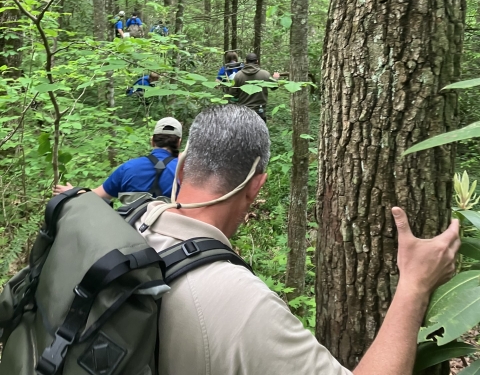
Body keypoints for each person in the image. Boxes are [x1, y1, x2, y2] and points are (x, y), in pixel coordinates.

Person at [139, 105, 460, 375]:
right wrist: (415, 285)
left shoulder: (129, 223)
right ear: (257, 185)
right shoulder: (243, 306)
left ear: (180, 170)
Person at [53, 117, 182, 199]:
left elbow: (97, 195)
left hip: (130, 235)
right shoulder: (186, 172)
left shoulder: (129, 167)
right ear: (179, 142)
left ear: (152, 141)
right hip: (171, 237)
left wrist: (73, 191)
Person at [228, 52, 280, 122]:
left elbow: (232, 94)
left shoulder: (238, 75)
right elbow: (274, 87)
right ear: (257, 61)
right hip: (260, 112)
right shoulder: (265, 74)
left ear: (246, 62)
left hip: (244, 112)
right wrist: (276, 78)